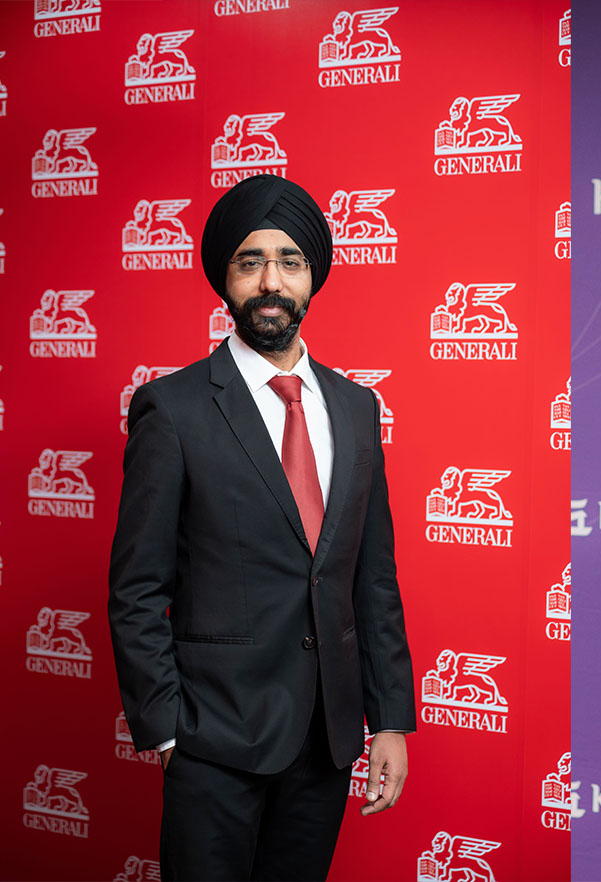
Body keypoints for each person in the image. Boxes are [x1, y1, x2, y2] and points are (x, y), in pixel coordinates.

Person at [108, 174, 415, 881]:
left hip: (326, 740)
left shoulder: (357, 408)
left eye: (289, 261)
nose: (270, 281)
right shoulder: (172, 408)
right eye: (250, 262)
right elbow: (136, 588)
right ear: (225, 277)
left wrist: (390, 718)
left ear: (313, 276)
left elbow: (372, 578)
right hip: (213, 740)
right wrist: (167, 732)